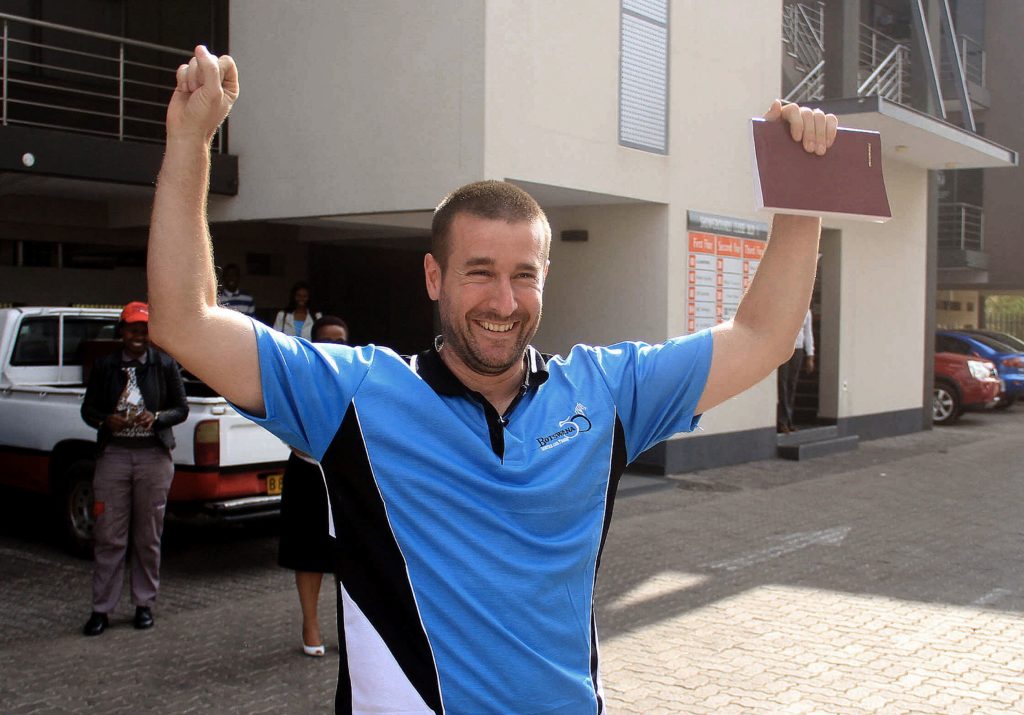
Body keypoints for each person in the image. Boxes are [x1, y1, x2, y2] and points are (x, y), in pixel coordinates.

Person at [149, 46, 836, 713]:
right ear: (433, 276)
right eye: (479, 271)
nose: (504, 303)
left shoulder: (606, 391)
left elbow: (762, 337)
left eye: (523, 275)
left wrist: (802, 193)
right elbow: (184, 321)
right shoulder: (356, 397)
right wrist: (190, 141)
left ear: (544, 279)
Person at [80, 301, 189, 636]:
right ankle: (102, 609)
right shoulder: (105, 366)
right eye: (132, 329)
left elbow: (181, 409)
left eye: (143, 329)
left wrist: (156, 418)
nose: (138, 335)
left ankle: (144, 604)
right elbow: (88, 410)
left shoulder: (165, 365)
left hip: (152, 458)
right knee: (109, 535)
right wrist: (103, 420)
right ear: (122, 331)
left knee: (148, 535)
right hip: (114, 456)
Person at [277, 314, 349, 658]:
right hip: (306, 474)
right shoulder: (299, 376)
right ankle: (310, 625)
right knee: (308, 554)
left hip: (346, 477)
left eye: (341, 340)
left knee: (349, 558)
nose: (335, 346)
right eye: (328, 340)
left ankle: (347, 632)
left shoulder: (357, 376)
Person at [777, 307, 816, 433]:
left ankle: (788, 420)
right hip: (783, 348)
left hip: (798, 349)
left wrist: (810, 355)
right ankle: (782, 421)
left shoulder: (807, 311)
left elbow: (808, 333)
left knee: (791, 384)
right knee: (782, 384)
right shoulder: (786, 306)